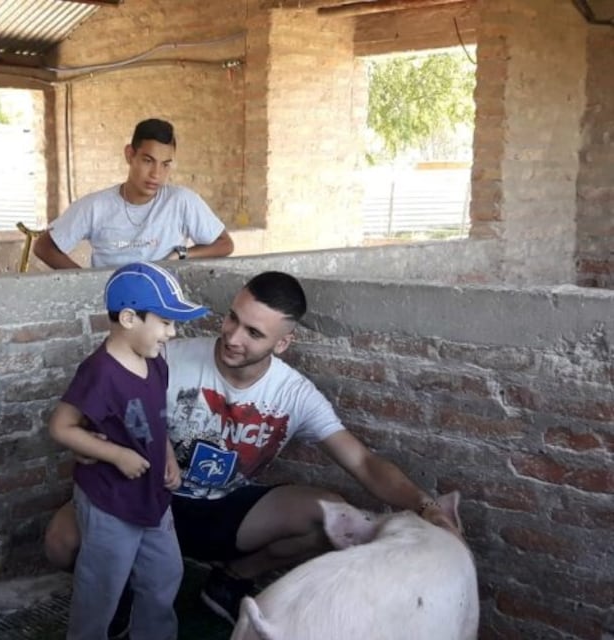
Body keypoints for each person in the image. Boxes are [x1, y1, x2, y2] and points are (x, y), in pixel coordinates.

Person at [44, 271, 459, 626]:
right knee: (60, 541)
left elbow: (364, 463)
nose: (233, 337)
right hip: (149, 495)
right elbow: (89, 414)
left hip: (226, 510)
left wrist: (424, 505)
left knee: (332, 515)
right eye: (233, 318)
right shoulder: (161, 356)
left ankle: (231, 578)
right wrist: (96, 446)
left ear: (282, 343)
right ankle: (121, 593)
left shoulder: (295, 394)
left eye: (254, 333)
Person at [48, 262, 209, 640]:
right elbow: (61, 427)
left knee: (165, 573)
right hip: (110, 500)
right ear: (129, 318)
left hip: (152, 496)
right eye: (165, 322)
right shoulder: (100, 373)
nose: (171, 333)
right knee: (101, 586)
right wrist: (116, 455)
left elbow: (155, 419)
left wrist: (167, 457)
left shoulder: (156, 364)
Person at [32, 118, 234, 269]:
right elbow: (44, 247)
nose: (156, 174)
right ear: (130, 155)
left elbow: (225, 244)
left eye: (165, 164)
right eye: (148, 161)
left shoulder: (181, 201)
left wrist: (182, 254)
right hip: (113, 307)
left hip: (163, 305)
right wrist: (87, 282)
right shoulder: (96, 206)